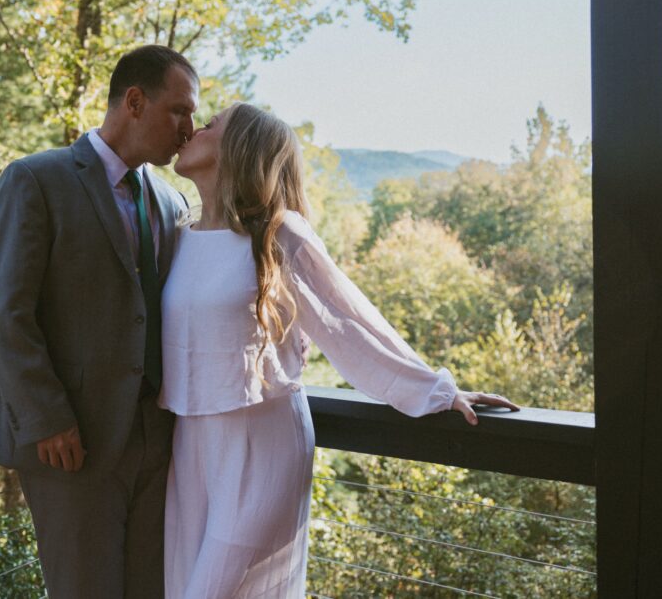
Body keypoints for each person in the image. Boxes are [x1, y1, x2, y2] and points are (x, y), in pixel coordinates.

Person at [160, 103, 519, 598]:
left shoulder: (279, 234)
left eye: (210, 124)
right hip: (191, 442)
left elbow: (351, 324)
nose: (193, 129)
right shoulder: (178, 237)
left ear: (239, 148)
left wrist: (435, 389)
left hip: (261, 443)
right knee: (181, 587)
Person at [0, 45, 198, 598]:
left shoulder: (170, 203)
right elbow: (6, 312)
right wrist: (47, 416)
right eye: (179, 111)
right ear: (135, 101)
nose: (189, 129)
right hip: (71, 444)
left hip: (158, 441)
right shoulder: (35, 180)